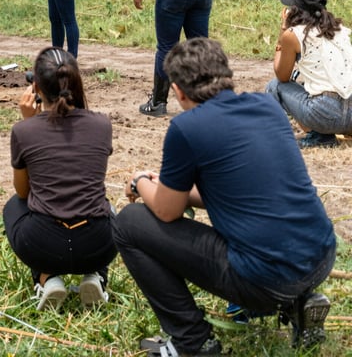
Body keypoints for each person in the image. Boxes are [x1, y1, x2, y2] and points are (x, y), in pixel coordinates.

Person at [113, 38, 335, 357]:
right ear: (228, 75)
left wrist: (139, 182)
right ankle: (300, 301)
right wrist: (168, 187)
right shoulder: (267, 106)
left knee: (129, 223)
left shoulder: (187, 128)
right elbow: (241, 190)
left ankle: (192, 341)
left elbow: (166, 211)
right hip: (321, 256)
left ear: (178, 91)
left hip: (265, 279)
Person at [3, 47, 116, 310]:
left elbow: (23, 192)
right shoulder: (102, 124)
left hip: (43, 243)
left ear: (36, 88)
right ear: (77, 83)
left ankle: (46, 278)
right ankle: (97, 275)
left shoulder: (24, 130)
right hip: (98, 243)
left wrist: (30, 122)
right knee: (107, 205)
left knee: (13, 206)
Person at [267, 0, 352, 148]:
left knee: (274, 86)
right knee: (309, 85)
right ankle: (327, 132)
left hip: (325, 114)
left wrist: (282, 33)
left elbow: (282, 75)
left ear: (295, 11)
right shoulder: (340, 30)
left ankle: (318, 136)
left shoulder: (293, 34)